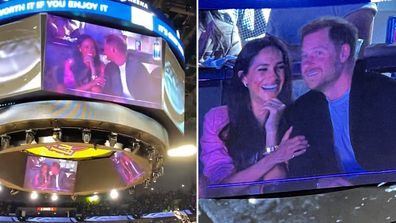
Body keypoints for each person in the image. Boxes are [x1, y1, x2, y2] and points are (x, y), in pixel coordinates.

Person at [283, 17, 396, 187]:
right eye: (305, 56)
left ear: (344, 53)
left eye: (318, 53)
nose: (307, 64)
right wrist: (320, 182)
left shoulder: (387, 95)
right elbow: (300, 169)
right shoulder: (302, 110)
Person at [200, 36, 309, 196]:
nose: (273, 77)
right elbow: (222, 189)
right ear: (244, 78)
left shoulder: (298, 116)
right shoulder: (218, 119)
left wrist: (271, 131)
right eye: (263, 69)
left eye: (279, 68)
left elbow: (274, 189)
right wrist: (275, 157)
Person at [266, 2, 377, 59]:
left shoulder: (356, 3)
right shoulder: (280, 4)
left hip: (332, 98)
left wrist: (292, 52)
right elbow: (268, 49)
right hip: (283, 96)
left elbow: (355, 51)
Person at [103, 34, 160, 102]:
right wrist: (113, 99)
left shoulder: (137, 68)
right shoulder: (109, 68)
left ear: (113, 50)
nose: (104, 52)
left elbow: (149, 94)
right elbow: (106, 91)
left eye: (105, 49)